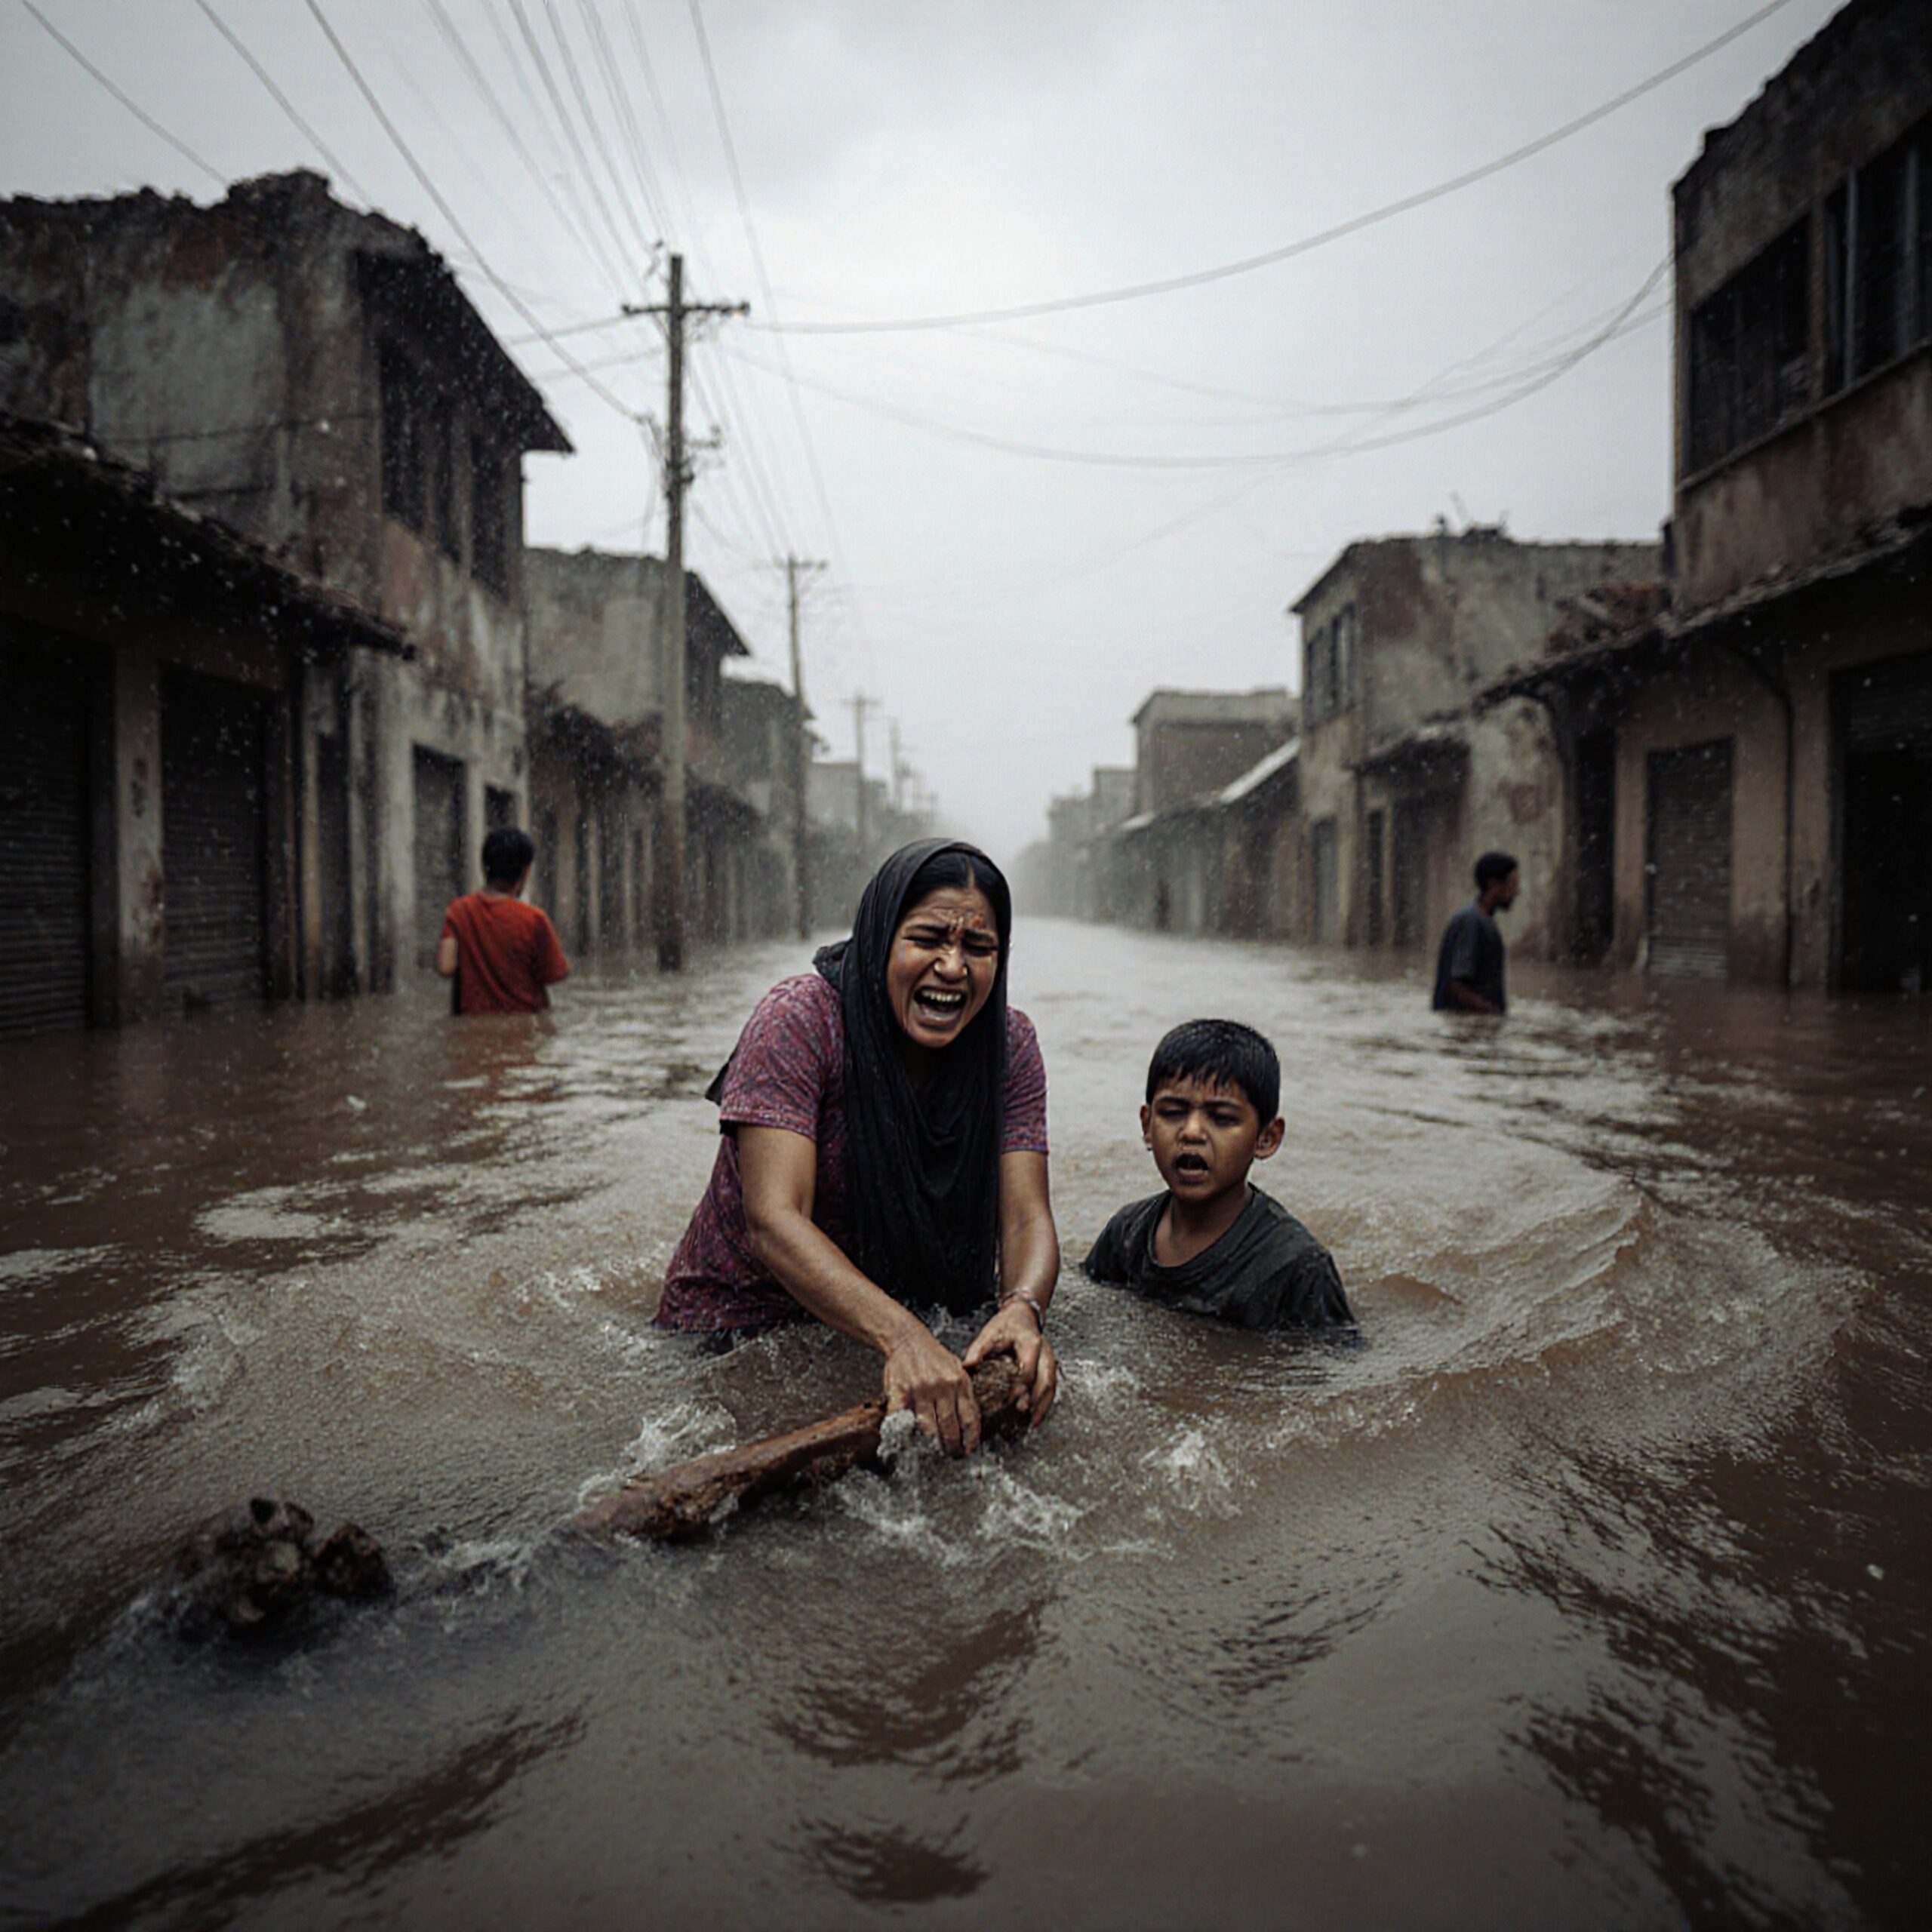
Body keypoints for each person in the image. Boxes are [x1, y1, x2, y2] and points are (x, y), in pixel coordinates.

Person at [655, 838, 1059, 1455]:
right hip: (737, 1334)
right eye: (927, 939)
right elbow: (773, 1219)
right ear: (878, 940)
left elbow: (1026, 1215)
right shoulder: (802, 1021)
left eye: (978, 947)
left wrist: (1023, 1309)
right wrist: (902, 1338)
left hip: (901, 1320)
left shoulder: (1008, 1047)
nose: (953, 967)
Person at [1084, 1019, 1352, 1331]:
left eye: (1222, 1118)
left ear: (1267, 1138)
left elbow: (1330, 1366)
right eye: (1173, 1113)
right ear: (1147, 1126)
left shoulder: (1296, 1268)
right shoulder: (1126, 1235)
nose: (1192, 1132)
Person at [435, 826, 571, 1015]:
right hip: (524, 1030)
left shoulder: (458, 911)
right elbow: (557, 973)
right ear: (525, 872)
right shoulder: (534, 919)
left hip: (472, 1028)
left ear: (484, 867)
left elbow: (445, 966)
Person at [1431, 850, 1519, 1015]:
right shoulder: (1471, 922)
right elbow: (1458, 986)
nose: (1517, 892)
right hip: (1466, 1030)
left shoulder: (1482, 922)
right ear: (1493, 885)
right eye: (1512, 884)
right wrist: (1493, 1016)